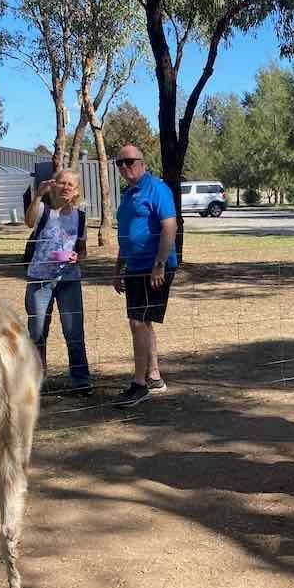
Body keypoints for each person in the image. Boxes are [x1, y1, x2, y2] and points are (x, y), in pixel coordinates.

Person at [112, 144, 178, 407]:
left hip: (154, 267)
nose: (124, 167)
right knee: (141, 322)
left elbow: (169, 226)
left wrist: (159, 264)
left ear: (142, 163)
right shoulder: (128, 194)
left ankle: (139, 384)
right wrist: (118, 268)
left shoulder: (157, 188)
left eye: (129, 161)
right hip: (134, 268)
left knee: (138, 322)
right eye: (119, 163)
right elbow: (127, 234)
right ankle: (154, 377)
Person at [23, 168, 92, 394]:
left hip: (69, 280)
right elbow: (28, 222)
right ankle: (36, 381)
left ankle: (81, 381)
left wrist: (78, 257)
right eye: (62, 182)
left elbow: (82, 250)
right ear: (54, 185)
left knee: (74, 333)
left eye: (71, 184)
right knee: (37, 331)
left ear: (77, 190)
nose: (66, 187)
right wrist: (38, 195)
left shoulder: (80, 217)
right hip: (39, 280)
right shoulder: (44, 210)